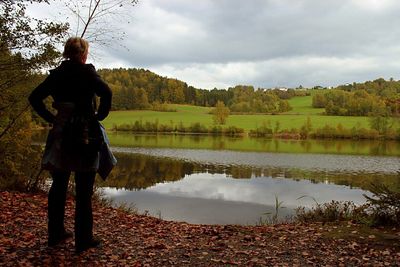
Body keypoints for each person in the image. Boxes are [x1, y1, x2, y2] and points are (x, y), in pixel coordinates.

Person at [29, 37, 113, 253]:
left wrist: (51, 117)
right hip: (86, 134)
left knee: (58, 185)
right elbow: (107, 92)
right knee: (84, 190)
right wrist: (99, 116)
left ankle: (55, 234)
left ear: (66, 52)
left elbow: (34, 97)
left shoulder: (57, 74)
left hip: (62, 132)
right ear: (83, 53)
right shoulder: (88, 72)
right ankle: (83, 240)